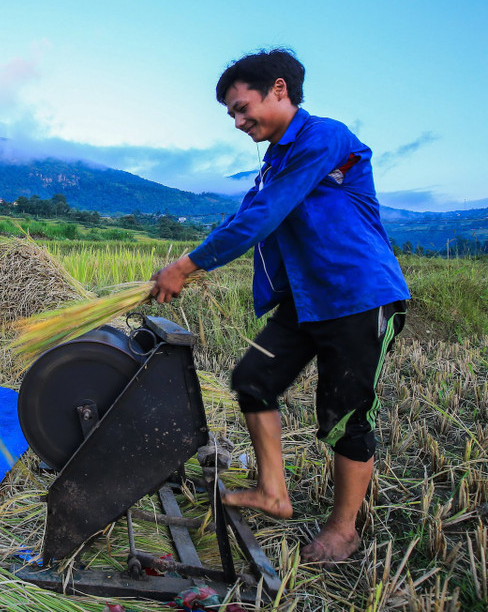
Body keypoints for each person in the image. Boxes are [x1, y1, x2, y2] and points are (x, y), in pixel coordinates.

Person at [151, 48, 409, 564]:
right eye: (232, 115)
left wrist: (185, 266)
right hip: (306, 301)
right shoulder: (273, 165)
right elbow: (242, 217)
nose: (239, 122)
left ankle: (343, 529)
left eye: (243, 108)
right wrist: (184, 261)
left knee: (343, 415)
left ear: (279, 89)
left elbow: (265, 217)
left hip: (358, 297)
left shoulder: (324, 137)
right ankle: (274, 493)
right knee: (253, 380)